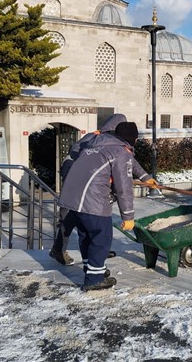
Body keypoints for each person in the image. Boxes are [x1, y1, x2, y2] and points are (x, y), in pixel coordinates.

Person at [49, 114, 156, 266]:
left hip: (93, 185)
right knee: (72, 218)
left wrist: (145, 177)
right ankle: (59, 248)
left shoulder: (113, 143)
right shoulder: (94, 138)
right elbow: (78, 158)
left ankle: (97, 254)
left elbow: (128, 160)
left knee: (95, 220)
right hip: (76, 182)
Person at [58, 121, 139, 291]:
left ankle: (93, 270)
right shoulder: (120, 152)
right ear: (133, 139)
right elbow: (123, 188)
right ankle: (94, 280)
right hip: (92, 201)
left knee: (86, 236)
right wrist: (128, 217)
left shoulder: (94, 146)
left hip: (72, 200)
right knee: (101, 238)